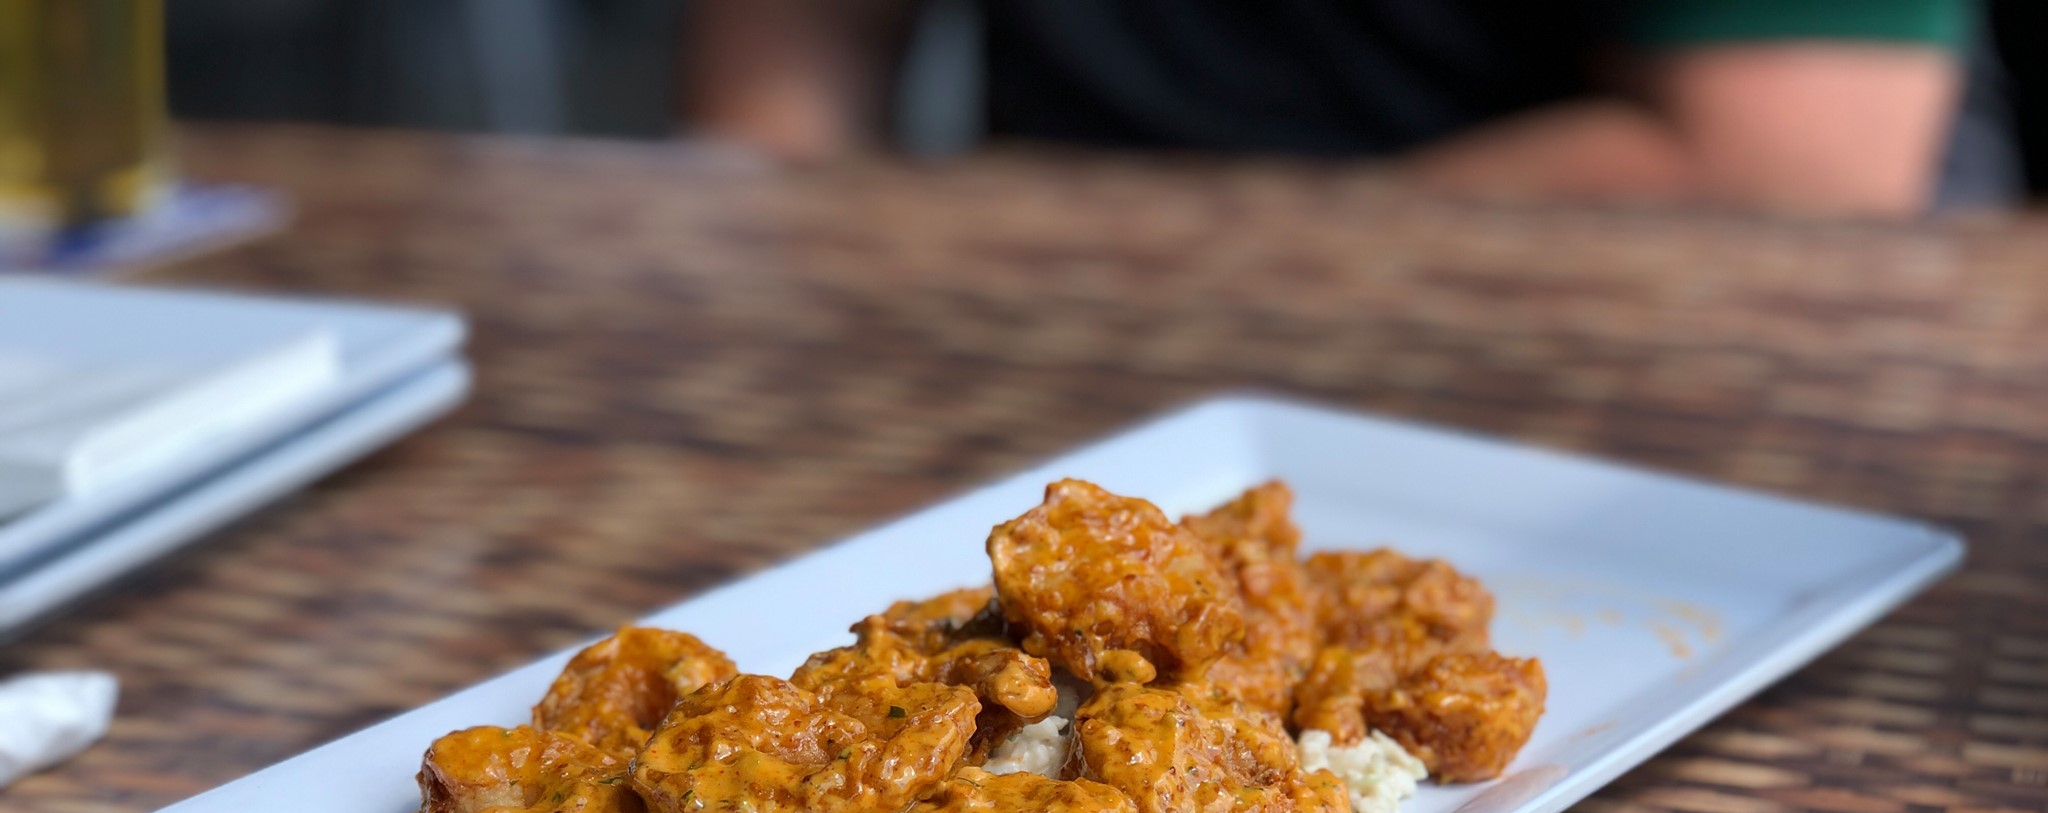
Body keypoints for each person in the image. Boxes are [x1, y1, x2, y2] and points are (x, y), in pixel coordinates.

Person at [687, 0, 1997, 215]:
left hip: (1576, 320)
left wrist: (1160, 255)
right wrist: (766, 176)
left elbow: (1793, 166)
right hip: (1028, 311)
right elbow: (792, 65)